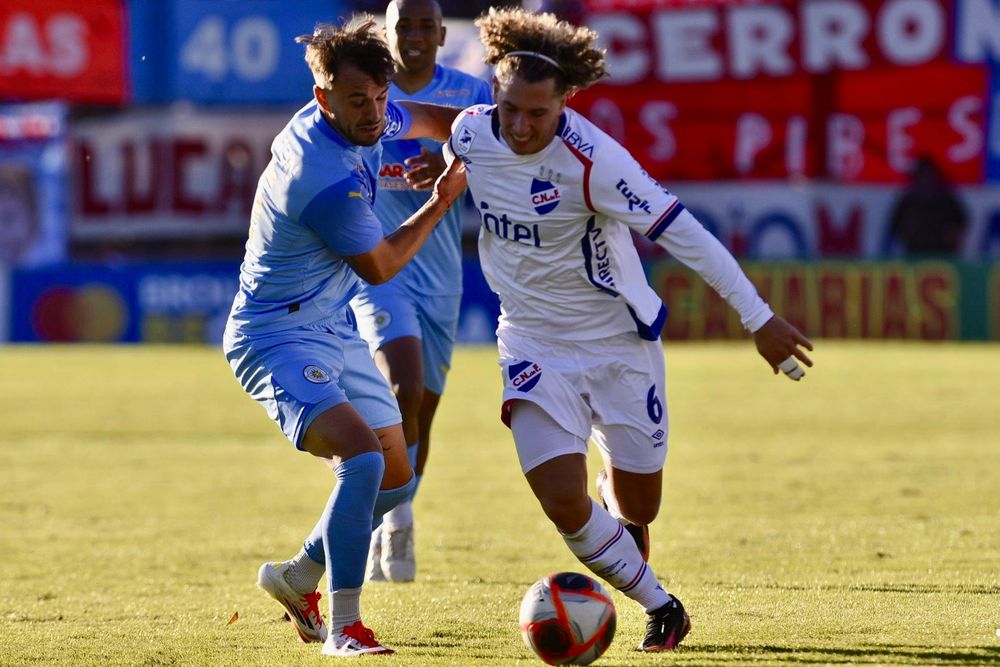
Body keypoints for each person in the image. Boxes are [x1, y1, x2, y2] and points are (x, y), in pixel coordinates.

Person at [449, 7, 814, 652]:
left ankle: (624, 526)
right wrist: (439, 176)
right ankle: (661, 604)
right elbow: (458, 149)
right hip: (531, 342)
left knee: (640, 507)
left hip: (618, 348)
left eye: (538, 113)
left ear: (566, 99)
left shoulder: (597, 163)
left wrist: (757, 317)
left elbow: (687, 235)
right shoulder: (473, 134)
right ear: (494, 97)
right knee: (561, 502)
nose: (522, 125)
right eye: (510, 110)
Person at [222, 15, 466, 657]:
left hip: (329, 327)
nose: (375, 112)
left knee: (399, 478)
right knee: (361, 460)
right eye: (358, 100)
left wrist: (464, 137)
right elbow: (381, 265)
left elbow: (437, 121)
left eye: (382, 98)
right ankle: (345, 629)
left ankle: (300, 576)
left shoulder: (370, 113)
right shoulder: (318, 173)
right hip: (275, 335)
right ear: (322, 96)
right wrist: (443, 199)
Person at [351, 0, 492, 584]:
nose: (412, 34)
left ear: (441, 33)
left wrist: (451, 159)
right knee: (402, 385)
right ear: (386, 32)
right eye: (401, 24)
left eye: (423, 25)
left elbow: (509, 165)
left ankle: (396, 513)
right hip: (379, 267)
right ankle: (393, 516)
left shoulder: (470, 94)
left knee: (422, 415)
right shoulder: (364, 91)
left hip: (439, 273)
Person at [889, 157, 968, 257]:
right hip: (914, 251)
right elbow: (894, 226)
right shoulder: (908, 200)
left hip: (943, 252)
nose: (925, 179)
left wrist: (952, 234)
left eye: (928, 175)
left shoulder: (947, 198)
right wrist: (907, 234)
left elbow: (962, 220)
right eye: (922, 175)